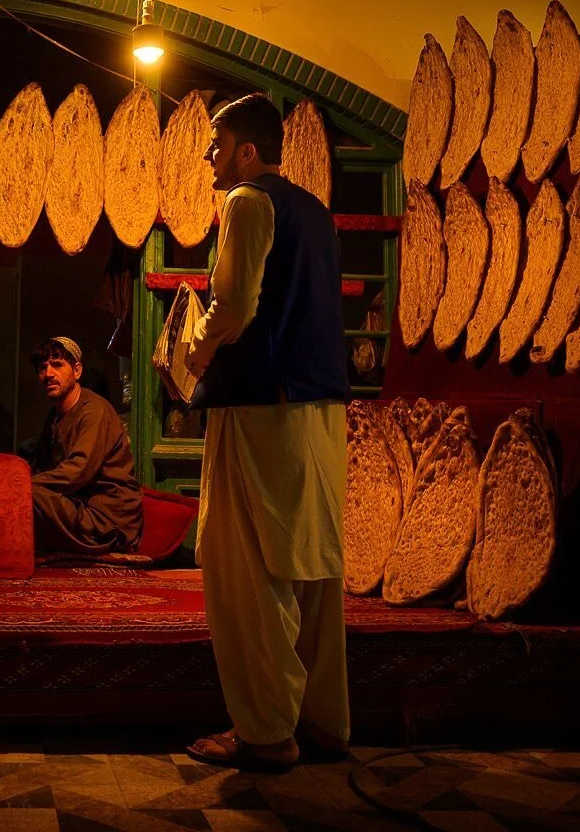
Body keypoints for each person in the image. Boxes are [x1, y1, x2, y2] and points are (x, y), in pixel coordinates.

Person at [184, 94, 351, 772]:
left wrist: (195, 351)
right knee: (312, 566)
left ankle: (264, 731)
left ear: (248, 151)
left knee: (247, 570)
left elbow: (236, 302)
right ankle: (324, 724)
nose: (210, 157)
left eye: (217, 144)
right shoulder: (316, 213)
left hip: (260, 406)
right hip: (319, 408)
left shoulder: (248, 202)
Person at [29, 337, 143, 555]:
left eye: (57, 365)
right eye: (42, 368)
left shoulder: (94, 411)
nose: (48, 374)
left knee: (30, 493)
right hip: (77, 506)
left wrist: (23, 485)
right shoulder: (55, 415)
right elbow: (41, 466)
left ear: (77, 371)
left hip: (106, 520)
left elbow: (77, 472)